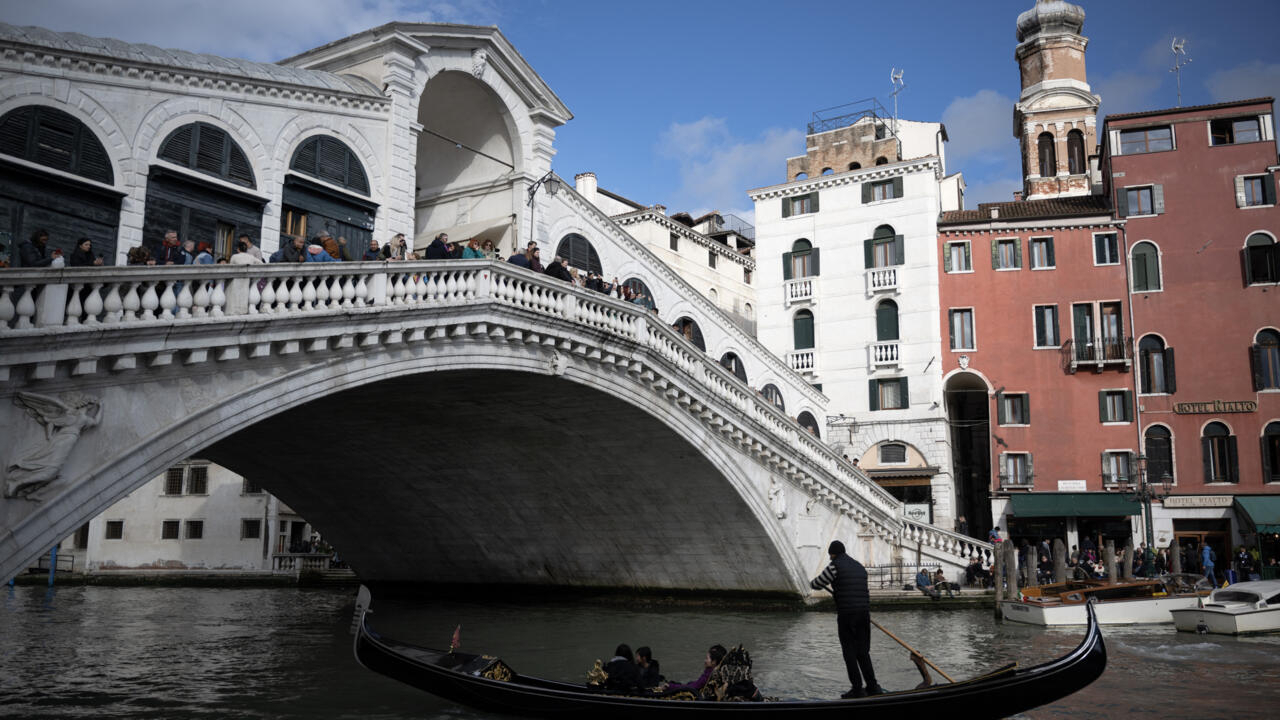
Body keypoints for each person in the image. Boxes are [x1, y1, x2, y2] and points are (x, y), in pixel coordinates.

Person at [810, 540, 883, 698]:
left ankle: (857, 689)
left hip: (847, 615)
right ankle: (873, 686)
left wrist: (812, 583)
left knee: (849, 652)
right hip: (864, 614)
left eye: (831, 556)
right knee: (863, 652)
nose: (830, 558)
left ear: (833, 554)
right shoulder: (859, 567)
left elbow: (817, 583)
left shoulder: (835, 566)